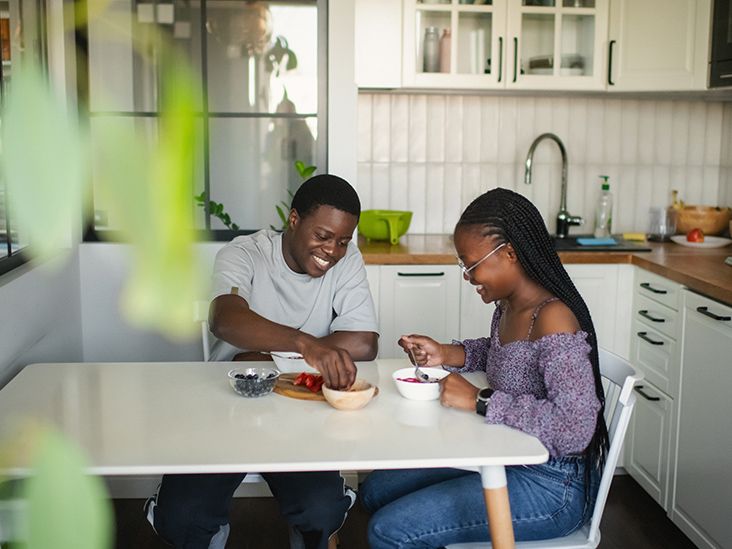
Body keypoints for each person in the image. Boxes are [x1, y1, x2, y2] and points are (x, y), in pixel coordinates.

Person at [360, 187, 607, 548]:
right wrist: (443, 353)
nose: (467, 276)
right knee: (374, 491)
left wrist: (480, 400)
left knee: (388, 531)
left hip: (553, 485)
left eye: (471, 264)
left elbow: (575, 428)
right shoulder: (508, 307)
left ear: (509, 253)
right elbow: (505, 356)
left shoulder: (553, 318)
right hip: (505, 449)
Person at [146, 174, 379, 549]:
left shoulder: (348, 260)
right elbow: (225, 318)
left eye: (342, 240)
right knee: (182, 517)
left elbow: (364, 343)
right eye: (322, 236)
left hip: (303, 409)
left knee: (322, 512)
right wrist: (307, 346)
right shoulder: (244, 253)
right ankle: (205, 530)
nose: (332, 251)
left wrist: (265, 354)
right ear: (293, 219)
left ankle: (307, 529)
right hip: (227, 406)